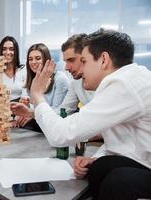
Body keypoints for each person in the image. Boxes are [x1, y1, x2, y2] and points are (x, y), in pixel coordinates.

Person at [13, 29, 151, 200]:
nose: (79, 68)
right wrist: (95, 158)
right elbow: (121, 138)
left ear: (103, 60)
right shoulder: (127, 79)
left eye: (83, 61)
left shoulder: (123, 84)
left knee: (119, 181)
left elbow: (60, 134)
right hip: (144, 158)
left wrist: (37, 95)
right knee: (98, 168)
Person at [12, 43, 70, 129]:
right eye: (30, 59)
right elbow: (34, 106)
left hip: (55, 126)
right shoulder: (31, 80)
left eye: (38, 58)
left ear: (47, 60)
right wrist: (26, 107)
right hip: (38, 122)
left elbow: (57, 111)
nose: (33, 62)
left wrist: (31, 114)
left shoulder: (60, 79)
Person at [0, 36, 28, 108]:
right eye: (4, 49)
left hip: (20, 110)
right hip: (1, 111)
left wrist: (20, 112)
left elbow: (25, 96)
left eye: (12, 49)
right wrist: (1, 108)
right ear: (1, 51)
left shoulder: (23, 70)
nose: (8, 52)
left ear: (16, 51)